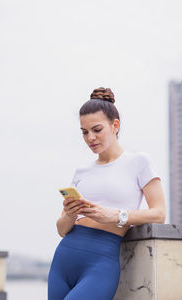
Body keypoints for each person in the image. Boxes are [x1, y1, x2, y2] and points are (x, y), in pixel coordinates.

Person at [47, 87, 166, 300]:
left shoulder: (139, 162)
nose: (90, 137)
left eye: (97, 129)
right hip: (64, 259)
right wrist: (69, 214)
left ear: (115, 125)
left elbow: (159, 213)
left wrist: (116, 215)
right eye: (84, 132)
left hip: (100, 262)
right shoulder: (81, 171)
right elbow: (62, 229)